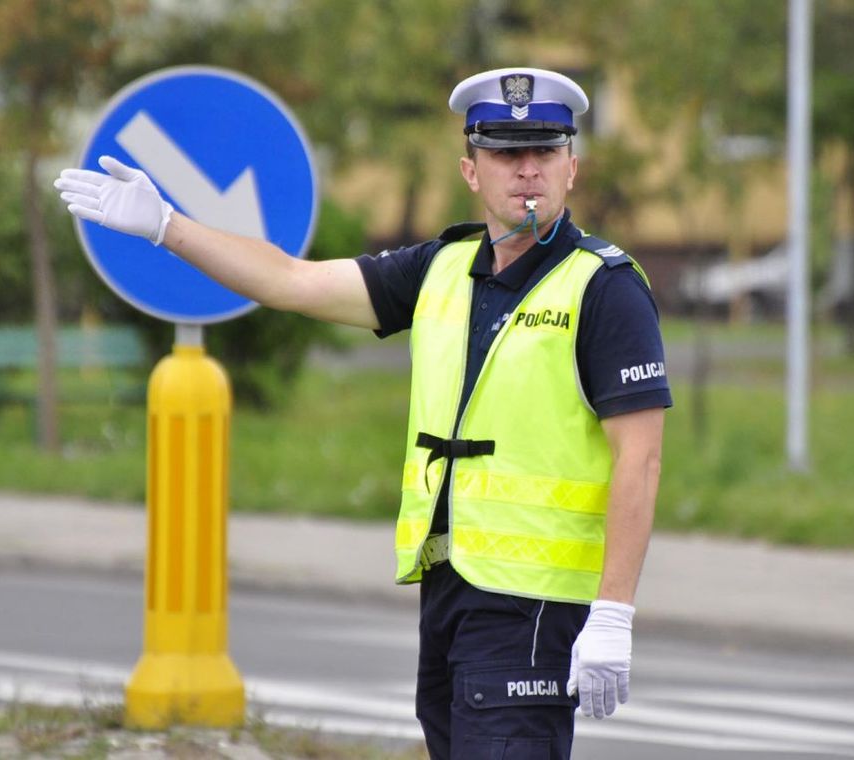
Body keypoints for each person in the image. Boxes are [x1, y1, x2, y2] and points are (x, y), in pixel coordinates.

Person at [54, 67, 671, 759]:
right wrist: (168, 227)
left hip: (534, 606)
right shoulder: (442, 267)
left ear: (572, 167)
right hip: (450, 586)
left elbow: (641, 457)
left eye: (546, 151)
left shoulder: (605, 286)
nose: (528, 170)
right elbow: (291, 280)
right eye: (506, 153)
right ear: (471, 170)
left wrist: (613, 613)